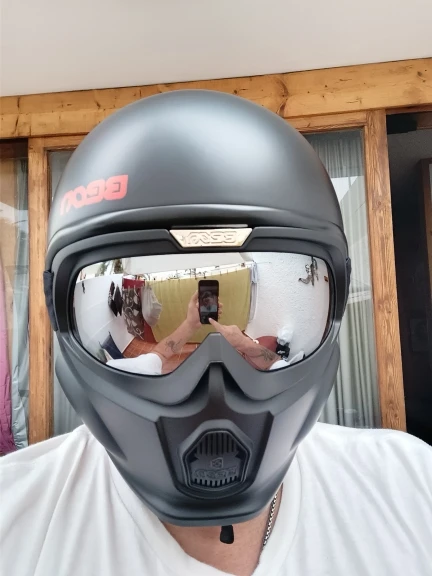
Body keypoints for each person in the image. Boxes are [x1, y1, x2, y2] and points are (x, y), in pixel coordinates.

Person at [1, 90, 431, 576]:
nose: (214, 383)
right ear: (58, 307)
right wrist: (190, 324)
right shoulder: (14, 514)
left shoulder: (410, 485)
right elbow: (158, 355)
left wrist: (238, 339)